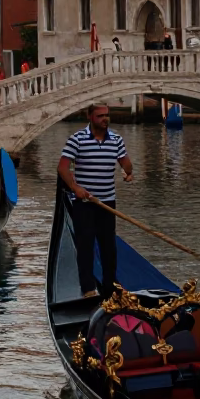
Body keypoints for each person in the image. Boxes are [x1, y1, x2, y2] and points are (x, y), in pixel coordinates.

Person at [57, 103, 133, 299]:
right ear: (90, 117)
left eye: (106, 115)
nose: (105, 119)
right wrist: (75, 188)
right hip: (85, 203)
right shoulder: (77, 140)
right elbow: (63, 168)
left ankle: (110, 286)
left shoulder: (116, 140)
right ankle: (88, 288)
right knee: (86, 246)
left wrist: (128, 172)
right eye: (100, 116)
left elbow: (125, 163)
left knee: (109, 247)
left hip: (108, 202)